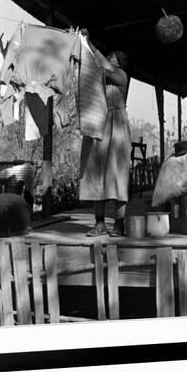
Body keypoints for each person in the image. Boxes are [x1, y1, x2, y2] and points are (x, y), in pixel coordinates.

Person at [79, 29, 131, 237]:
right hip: (98, 122)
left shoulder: (120, 76)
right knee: (95, 173)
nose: (109, 57)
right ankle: (99, 223)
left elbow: (103, 65)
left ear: (119, 62)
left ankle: (119, 224)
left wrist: (89, 43)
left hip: (116, 126)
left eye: (113, 56)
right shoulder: (101, 76)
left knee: (116, 174)